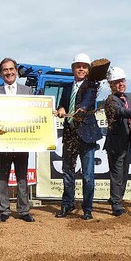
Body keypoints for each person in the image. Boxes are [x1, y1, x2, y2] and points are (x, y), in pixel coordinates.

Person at [55, 53, 102, 220]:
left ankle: (87, 208)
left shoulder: (92, 86)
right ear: (73, 68)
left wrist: (80, 109)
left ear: (88, 70)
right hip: (70, 134)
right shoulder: (67, 87)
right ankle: (67, 204)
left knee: (88, 175)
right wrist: (61, 109)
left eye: (84, 66)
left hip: (87, 134)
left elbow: (87, 101)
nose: (81, 68)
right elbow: (62, 104)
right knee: (68, 171)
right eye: (78, 66)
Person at [0, 57, 35, 222]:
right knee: (2, 177)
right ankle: (4, 210)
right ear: (1, 73)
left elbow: (34, 114)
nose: (8, 72)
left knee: (22, 177)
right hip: (1, 141)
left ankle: (23, 211)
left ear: (16, 71)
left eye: (11, 69)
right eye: (5, 70)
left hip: (22, 140)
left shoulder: (27, 91)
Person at [104, 67, 131, 216]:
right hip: (115, 144)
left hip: (127, 142)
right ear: (112, 85)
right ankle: (116, 203)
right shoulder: (110, 100)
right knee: (117, 173)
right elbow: (121, 112)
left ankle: (117, 199)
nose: (121, 84)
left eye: (122, 81)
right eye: (117, 82)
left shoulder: (130, 97)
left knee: (124, 173)